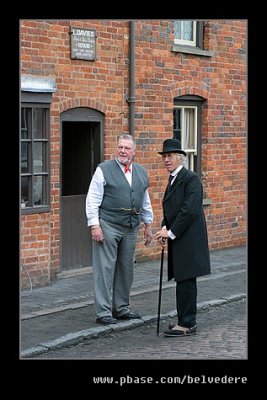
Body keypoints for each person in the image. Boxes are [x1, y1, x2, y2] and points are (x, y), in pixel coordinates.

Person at [86, 134, 153, 325]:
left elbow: (145, 200)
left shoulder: (141, 172)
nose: (123, 151)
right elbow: (92, 199)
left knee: (126, 268)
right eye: (120, 147)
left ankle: (121, 308)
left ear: (134, 151)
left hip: (131, 226)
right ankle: (103, 312)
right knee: (104, 268)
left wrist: (148, 224)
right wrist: (94, 225)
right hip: (108, 224)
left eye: (127, 148)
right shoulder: (104, 169)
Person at [155, 138, 210, 337]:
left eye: (169, 156)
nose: (166, 160)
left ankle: (188, 324)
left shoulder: (190, 178)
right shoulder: (173, 179)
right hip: (181, 237)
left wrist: (170, 232)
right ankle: (182, 320)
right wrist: (163, 227)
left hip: (190, 239)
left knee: (186, 279)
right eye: (164, 156)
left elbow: (189, 210)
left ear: (180, 158)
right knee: (182, 279)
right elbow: (172, 208)